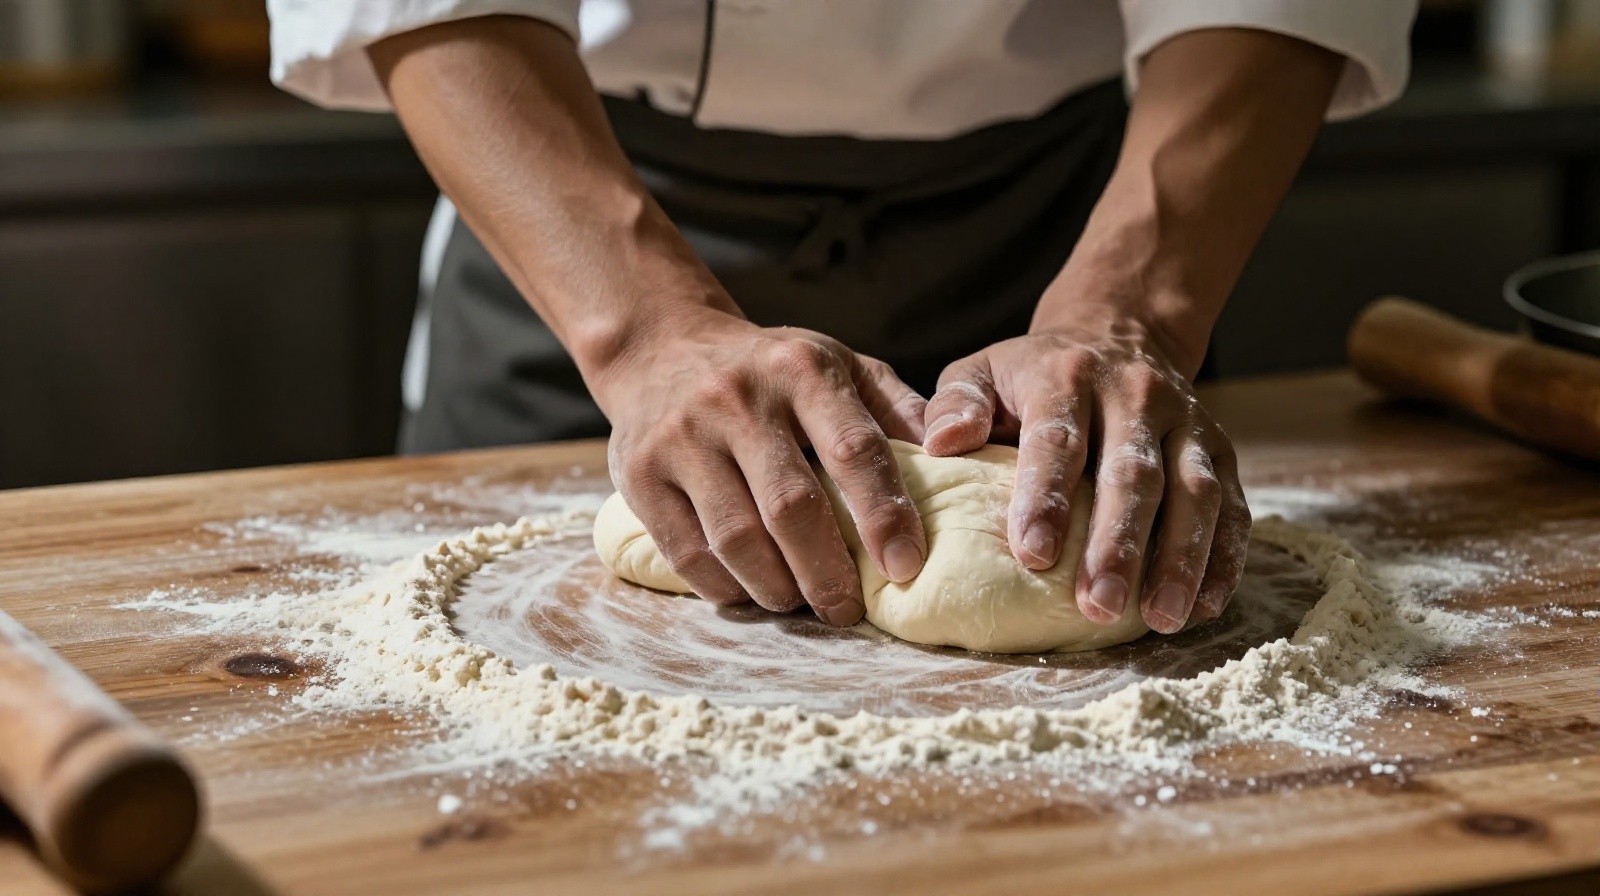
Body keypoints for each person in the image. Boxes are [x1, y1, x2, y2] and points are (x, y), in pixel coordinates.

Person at [268, 1, 1416, 636]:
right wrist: (642, 334)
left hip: (1064, 218)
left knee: (1110, 512)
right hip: (572, 217)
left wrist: (1130, 312)